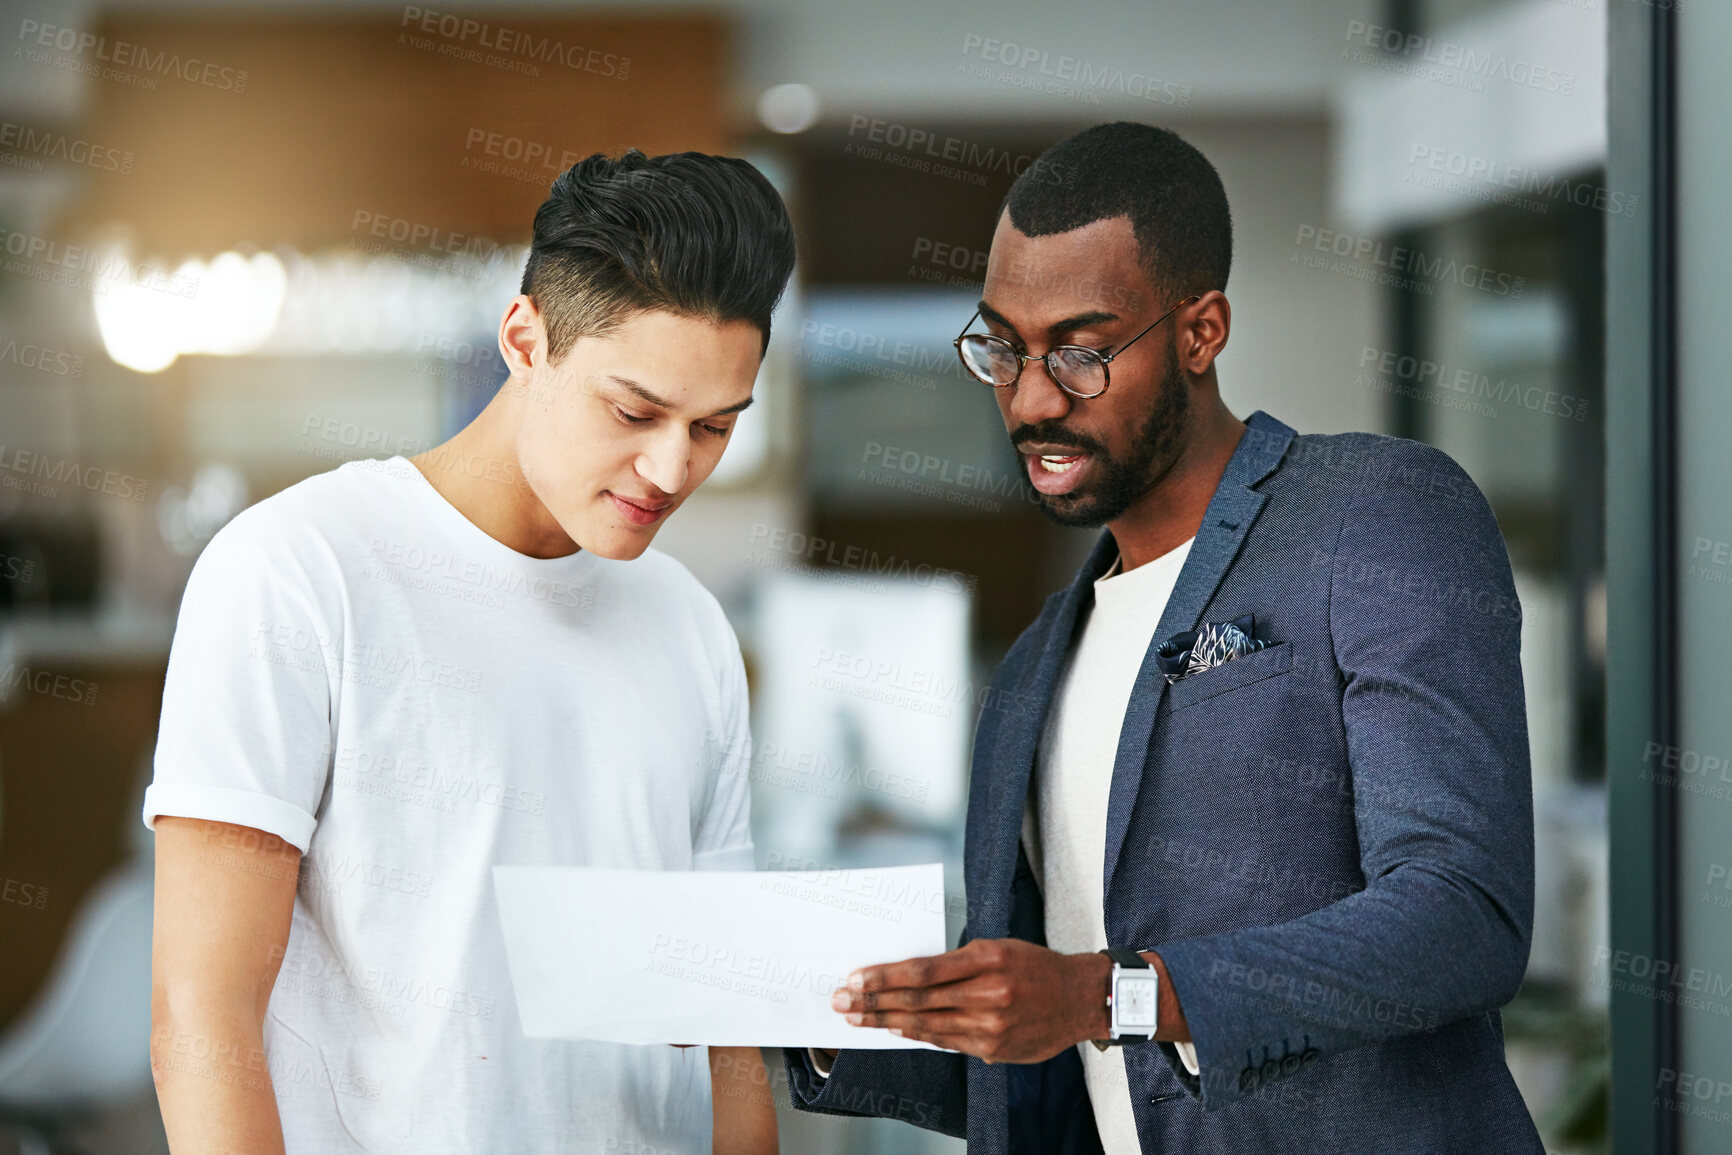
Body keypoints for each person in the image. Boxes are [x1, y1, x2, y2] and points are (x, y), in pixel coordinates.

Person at [785, 121, 1546, 1154]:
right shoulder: (1031, 668)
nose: (1032, 398)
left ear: (1200, 331)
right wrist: (810, 1015)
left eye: (1082, 352)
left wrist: (1113, 996)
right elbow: (1047, 1058)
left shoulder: (1372, 513)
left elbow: (1460, 917)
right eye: (1002, 348)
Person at [145, 148, 793, 1155]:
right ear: (523, 339)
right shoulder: (297, 570)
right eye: (633, 412)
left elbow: (726, 1031)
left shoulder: (690, 626)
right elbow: (202, 1018)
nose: (671, 467)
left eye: (714, 427)